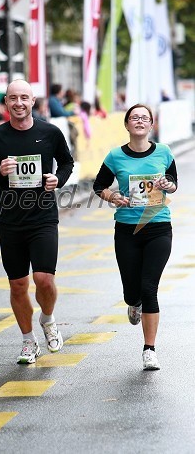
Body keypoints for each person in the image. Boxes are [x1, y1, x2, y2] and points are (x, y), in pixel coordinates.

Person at [0, 79, 74, 364]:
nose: (19, 103)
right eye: (13, 98)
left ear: (33, 101)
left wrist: (59, 180)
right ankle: (27, 341)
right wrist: (0, 171)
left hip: (43, 216)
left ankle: (47, 318)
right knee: (18, 285)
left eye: (24, 97)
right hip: (11, 219)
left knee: (44, 279)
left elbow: (67, 162)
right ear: (6, 103)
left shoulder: (50, 132)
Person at [93, 103, 178, 371]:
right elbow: (99, 186)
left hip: (158, 227)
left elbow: (174, 183)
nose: (139, 121)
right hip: (127, 230)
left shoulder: (164, 152)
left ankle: (149, 349)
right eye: (134, 117)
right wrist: (113, 196)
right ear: (127, 125)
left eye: (145, 117)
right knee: (132, 292)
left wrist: (168, 184)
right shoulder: (115, 156)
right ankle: (134, 303)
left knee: (149, 287)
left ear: (151, 124)